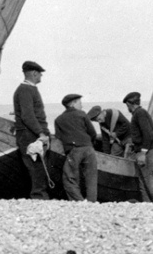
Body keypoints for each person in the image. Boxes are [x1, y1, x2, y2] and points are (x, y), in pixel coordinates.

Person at [13, 60, 51, 199]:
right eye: (40, 74)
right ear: (34, 73)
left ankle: (39, 196)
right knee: (37, 167)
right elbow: (27, 116)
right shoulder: (25, 90)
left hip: (31, 134)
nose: (41, 76)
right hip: (30, 135)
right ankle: (39, 198)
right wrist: (41, 133)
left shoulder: (28, 89)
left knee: (38, 166)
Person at [122, 91, 153, 204]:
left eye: (127, 105)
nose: (127, 107)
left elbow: (148, 134)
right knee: (144, 182)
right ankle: (148, 207)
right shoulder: (138, 114)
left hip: (148, 153)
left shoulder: (140, 114)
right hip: (145, 152)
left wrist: (142, 152)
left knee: (152, 181)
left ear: (129, 104)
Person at [54, 93, 98, 201]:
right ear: (72, 103)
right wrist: (88, 143)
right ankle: (92, 203)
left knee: (69, 178)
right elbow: (93, 133)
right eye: (80, 103)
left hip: (74, 150)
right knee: (91, 178)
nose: (82, 106)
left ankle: (78, 202)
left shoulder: (58, 120)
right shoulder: (82, 114)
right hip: (88, 148)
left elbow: (58, 138)